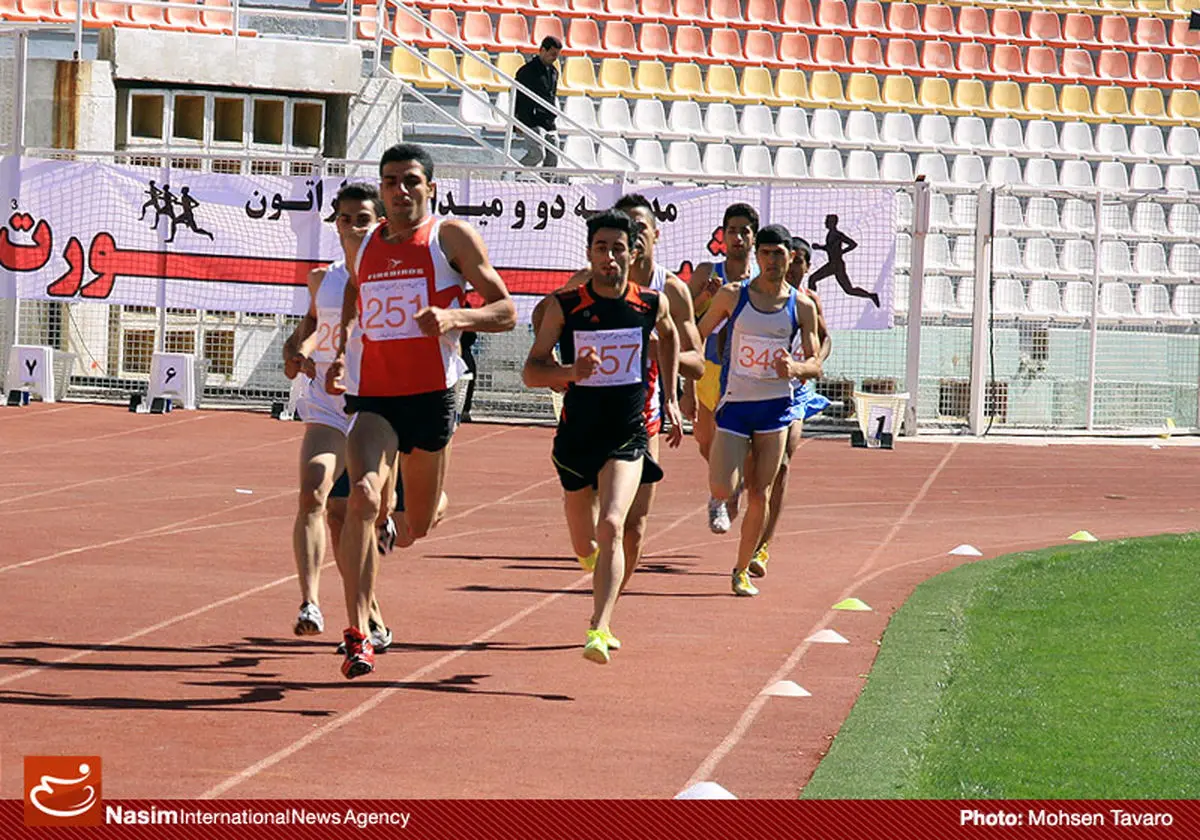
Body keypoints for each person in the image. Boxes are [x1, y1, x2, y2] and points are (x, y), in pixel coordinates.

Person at [327, 143, 517, 678]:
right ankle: (359, 633)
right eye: (391, 182)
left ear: (430, 188)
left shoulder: (448, 238)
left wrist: (457, 319)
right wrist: (341, 348)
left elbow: (506, 310)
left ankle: (417, 508)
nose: (400, 191)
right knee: (362, 497)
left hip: (431, 398)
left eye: (411, 181)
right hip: (375, 399)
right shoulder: (360, 247)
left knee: (416, 525)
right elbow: (354, 298)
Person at [523, 209, 683, 664]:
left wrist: (671, 398)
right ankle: (591, 565)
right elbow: (532, 370)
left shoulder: (651, 303)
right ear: (589, 253)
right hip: (577, 437)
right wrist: (572, 371)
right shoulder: (567, 305)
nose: (610, 257)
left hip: (628, 434)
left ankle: (600, 626)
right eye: (601, 248)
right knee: (584, 543)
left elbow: (669, 337)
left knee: (614, 523)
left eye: (618, 248)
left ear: (633, 252)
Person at [530, 193, 704, 593]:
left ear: (651, 235)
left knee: (632, 523)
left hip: (644, 414)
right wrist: (568, 367)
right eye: (613, 234)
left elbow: (694, 356)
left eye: (638, 228)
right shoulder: (584, 284)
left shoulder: (669, 292)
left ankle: (607, 607)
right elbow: (543, 322)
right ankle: (595, 561)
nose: (627, 239)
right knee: (590, 515)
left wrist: (673, 386)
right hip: (588, 411)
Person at [281, 183, 393, 646]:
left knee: (356, 517)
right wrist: (299, 350)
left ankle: (371, 614)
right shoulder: (320, 278)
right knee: (313, 495)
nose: (352, 226)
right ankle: (310, 602)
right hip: (328, 401)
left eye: (362, 218)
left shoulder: (394, 275)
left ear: (380, 222)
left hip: (378, 404)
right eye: (344, 218)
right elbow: (312, 324)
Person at [697, 224, 822, 597]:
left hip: (775, 410)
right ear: (757, 257)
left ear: (790, 257)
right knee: (725, 484)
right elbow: (698, 332)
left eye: (778, 254)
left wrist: (797, 369)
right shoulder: (733, 296)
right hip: (736, 405)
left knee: (760, 492)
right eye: (764, 253)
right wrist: (686, 372)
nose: (771, 260)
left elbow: (815, 361)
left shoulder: (801, 306)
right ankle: (721, 495)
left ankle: (741, 569)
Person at [749, 236, 833, 579]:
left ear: (805, 265)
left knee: (782, 464)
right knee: (753, 469)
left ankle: (762, 546)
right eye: (790, 261)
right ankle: (745, 504)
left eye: (800, 264)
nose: (794, 269)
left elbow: (825, 339)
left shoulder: (808, 301)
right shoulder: (759, 295)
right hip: (757, 387)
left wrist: (810, 364)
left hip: (795, 392)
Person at [684, 202, 759, 535]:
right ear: (722, 236)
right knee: (704, 441)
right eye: (732, 231)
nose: (738, 237)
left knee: (734, 441)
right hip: (707, 368)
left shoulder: (761, 281)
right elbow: (682, 318)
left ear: (753, 237)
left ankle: (719, 496)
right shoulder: (707, 273)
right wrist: (704, 300)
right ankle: (729, 481)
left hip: (744, 372)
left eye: (745, 231)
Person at [808, 213, 879, 307]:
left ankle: (812, 303)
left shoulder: (837, 234)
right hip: (834, 264)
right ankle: (871, 295)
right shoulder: (830, 234)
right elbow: (831, 248)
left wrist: (841, 252)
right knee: (849, 290)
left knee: (813, 279)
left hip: (836, 265)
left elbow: (853, 244)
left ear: (832, 223)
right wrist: (820, 247)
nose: (825, 223)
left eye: (827, 221)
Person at [514, 36, 562, 169]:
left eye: (557, 55)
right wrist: (516, 119)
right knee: (537, 154)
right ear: (542, 50)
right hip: (530, 119)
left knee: (553, 155)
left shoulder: (554, 72)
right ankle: (510, 175)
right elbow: (517, 96)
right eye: (552, 54)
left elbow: (551, 96)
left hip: (548, 120)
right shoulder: (526, 71)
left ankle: (547, 185)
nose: (554, 58)